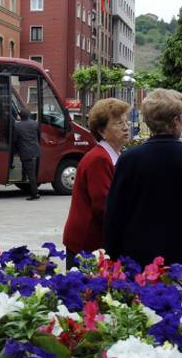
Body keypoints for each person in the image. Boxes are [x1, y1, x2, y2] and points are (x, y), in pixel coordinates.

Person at [103, 88, 182, 266]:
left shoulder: (129, 159)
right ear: (176, 121)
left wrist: (112, 257)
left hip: (138, 259)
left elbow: (115, 214)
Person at [62, 98, 130, 269]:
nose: (126, 127)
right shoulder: (99, 159)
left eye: (126, 121)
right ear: (102, 131)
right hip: (87, 242)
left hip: (95, 240)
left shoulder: (114, 155)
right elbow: (103, 205)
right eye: (118, 123)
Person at [12, 109, 41, 200]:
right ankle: (24, 177)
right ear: (28, 115)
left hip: (25, 152)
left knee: (31, 174)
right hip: (35, 151)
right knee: (31, 171)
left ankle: (35, 194)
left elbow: (15, 140)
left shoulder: (17, 126)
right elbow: (39, 135)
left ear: (21, 116)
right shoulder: (35, 124)